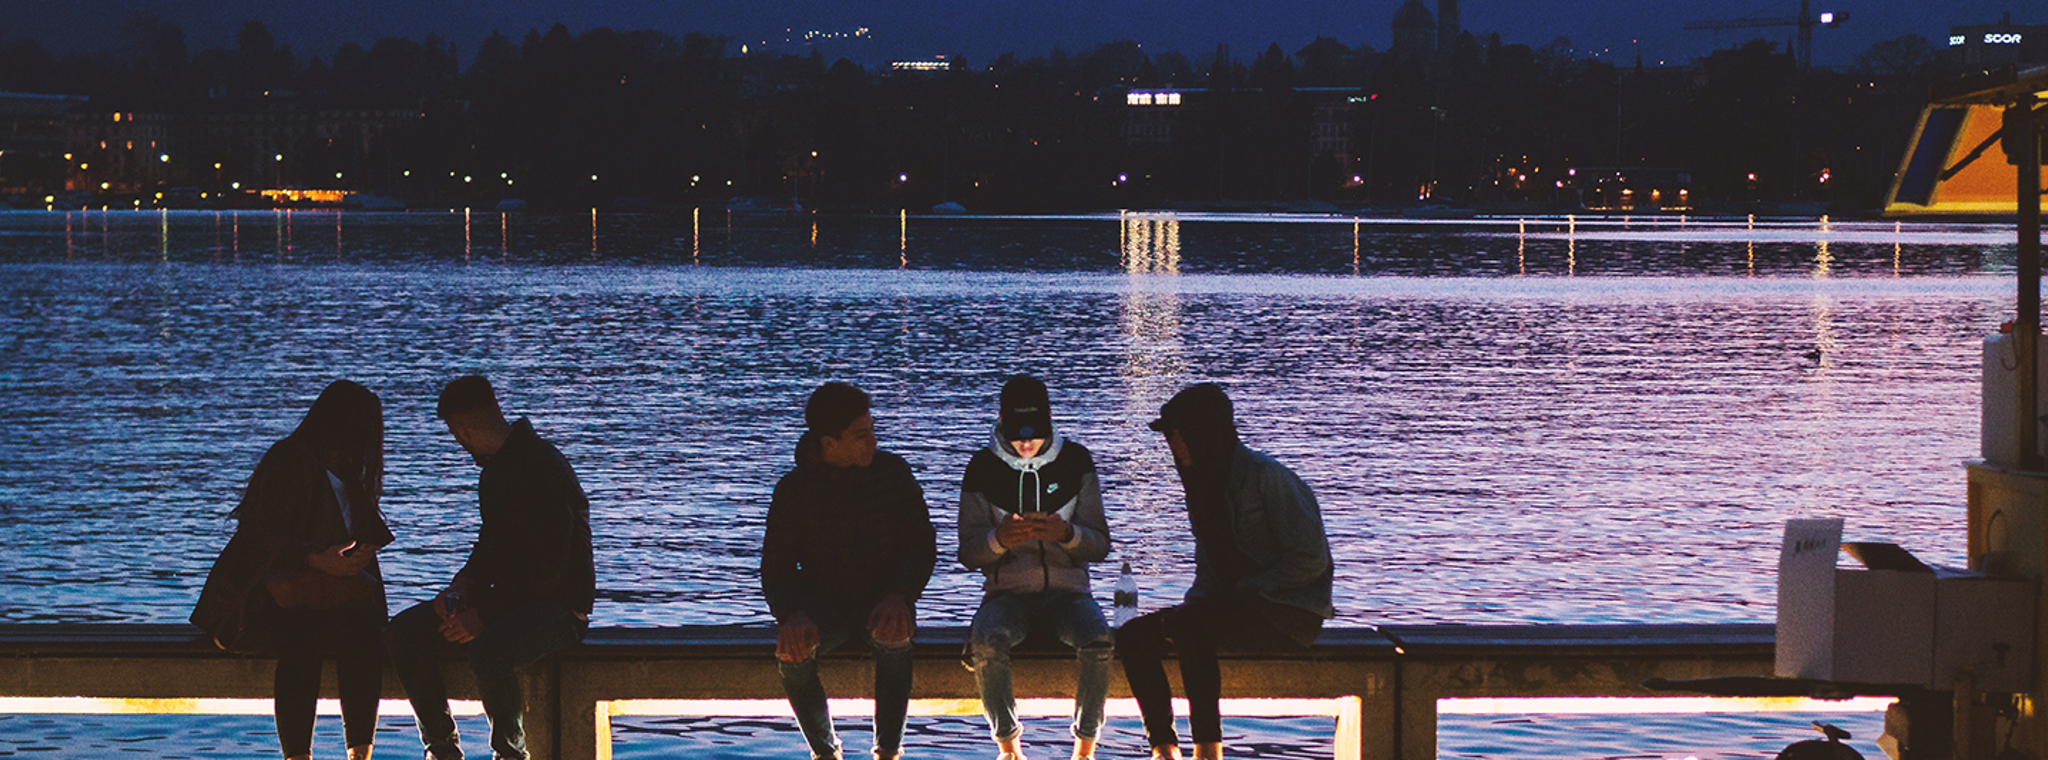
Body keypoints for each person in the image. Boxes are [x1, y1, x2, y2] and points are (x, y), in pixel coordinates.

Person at [1116, 383, 1335, 760]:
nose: (1172, 444)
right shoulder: (1201, 484)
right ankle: (1164, 749)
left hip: (1288, 613)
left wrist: (1252, 589)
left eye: (1177, 434)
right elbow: (1210, 563)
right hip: (1232, 610)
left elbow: (1310, 560)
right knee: (1134, 636)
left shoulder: (1268, 478)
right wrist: (1198, 603)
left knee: (1190, 626)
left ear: (1204, 435)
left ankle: (1207, 749)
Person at [387, 375, 594, 760]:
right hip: (509, 602)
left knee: (489, 650)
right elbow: (491, 547)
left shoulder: (543, 467)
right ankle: (442, 748)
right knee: (405, 632)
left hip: (560, 609)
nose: (459, 444)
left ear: (461, 428)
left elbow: (551, 568)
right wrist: (461, 588)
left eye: (456, 434)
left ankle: (511, 753)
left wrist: (483, 616)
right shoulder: (496, 472)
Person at [191, 380, 395, 760]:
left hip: (326, 597)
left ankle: (360, 752)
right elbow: (260, 533)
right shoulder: (289, 460)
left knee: (365, 640)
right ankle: (298, 755)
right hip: (269, 601)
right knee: (305, 639)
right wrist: (316, 559)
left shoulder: (348, 473)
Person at [763, 381, 937, 760]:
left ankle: (888, 751)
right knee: (792, 651)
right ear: (829, 444)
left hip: (885, 597)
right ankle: (826, 752)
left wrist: (901, 595)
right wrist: (791, 613)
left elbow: (921, 544)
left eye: (872, 430)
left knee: (894, 636)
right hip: (823, 605)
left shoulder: (893, 474)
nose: (873, 441)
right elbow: (776, 564)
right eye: (861, 435)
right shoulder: (794, 489)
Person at [958, 375, 1113, 760]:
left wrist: (1067, 533)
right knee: (986, 642)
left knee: (1098, 640)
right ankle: (1009, 748)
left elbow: (1101, 545)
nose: (1026, 444)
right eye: (1017, 436)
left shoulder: (1076, 462)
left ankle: (1084, 748)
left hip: (1069, 594)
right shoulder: (981, 468)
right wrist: (999, 540)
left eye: (1034, 434)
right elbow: (968, 552)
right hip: (1007, 595)